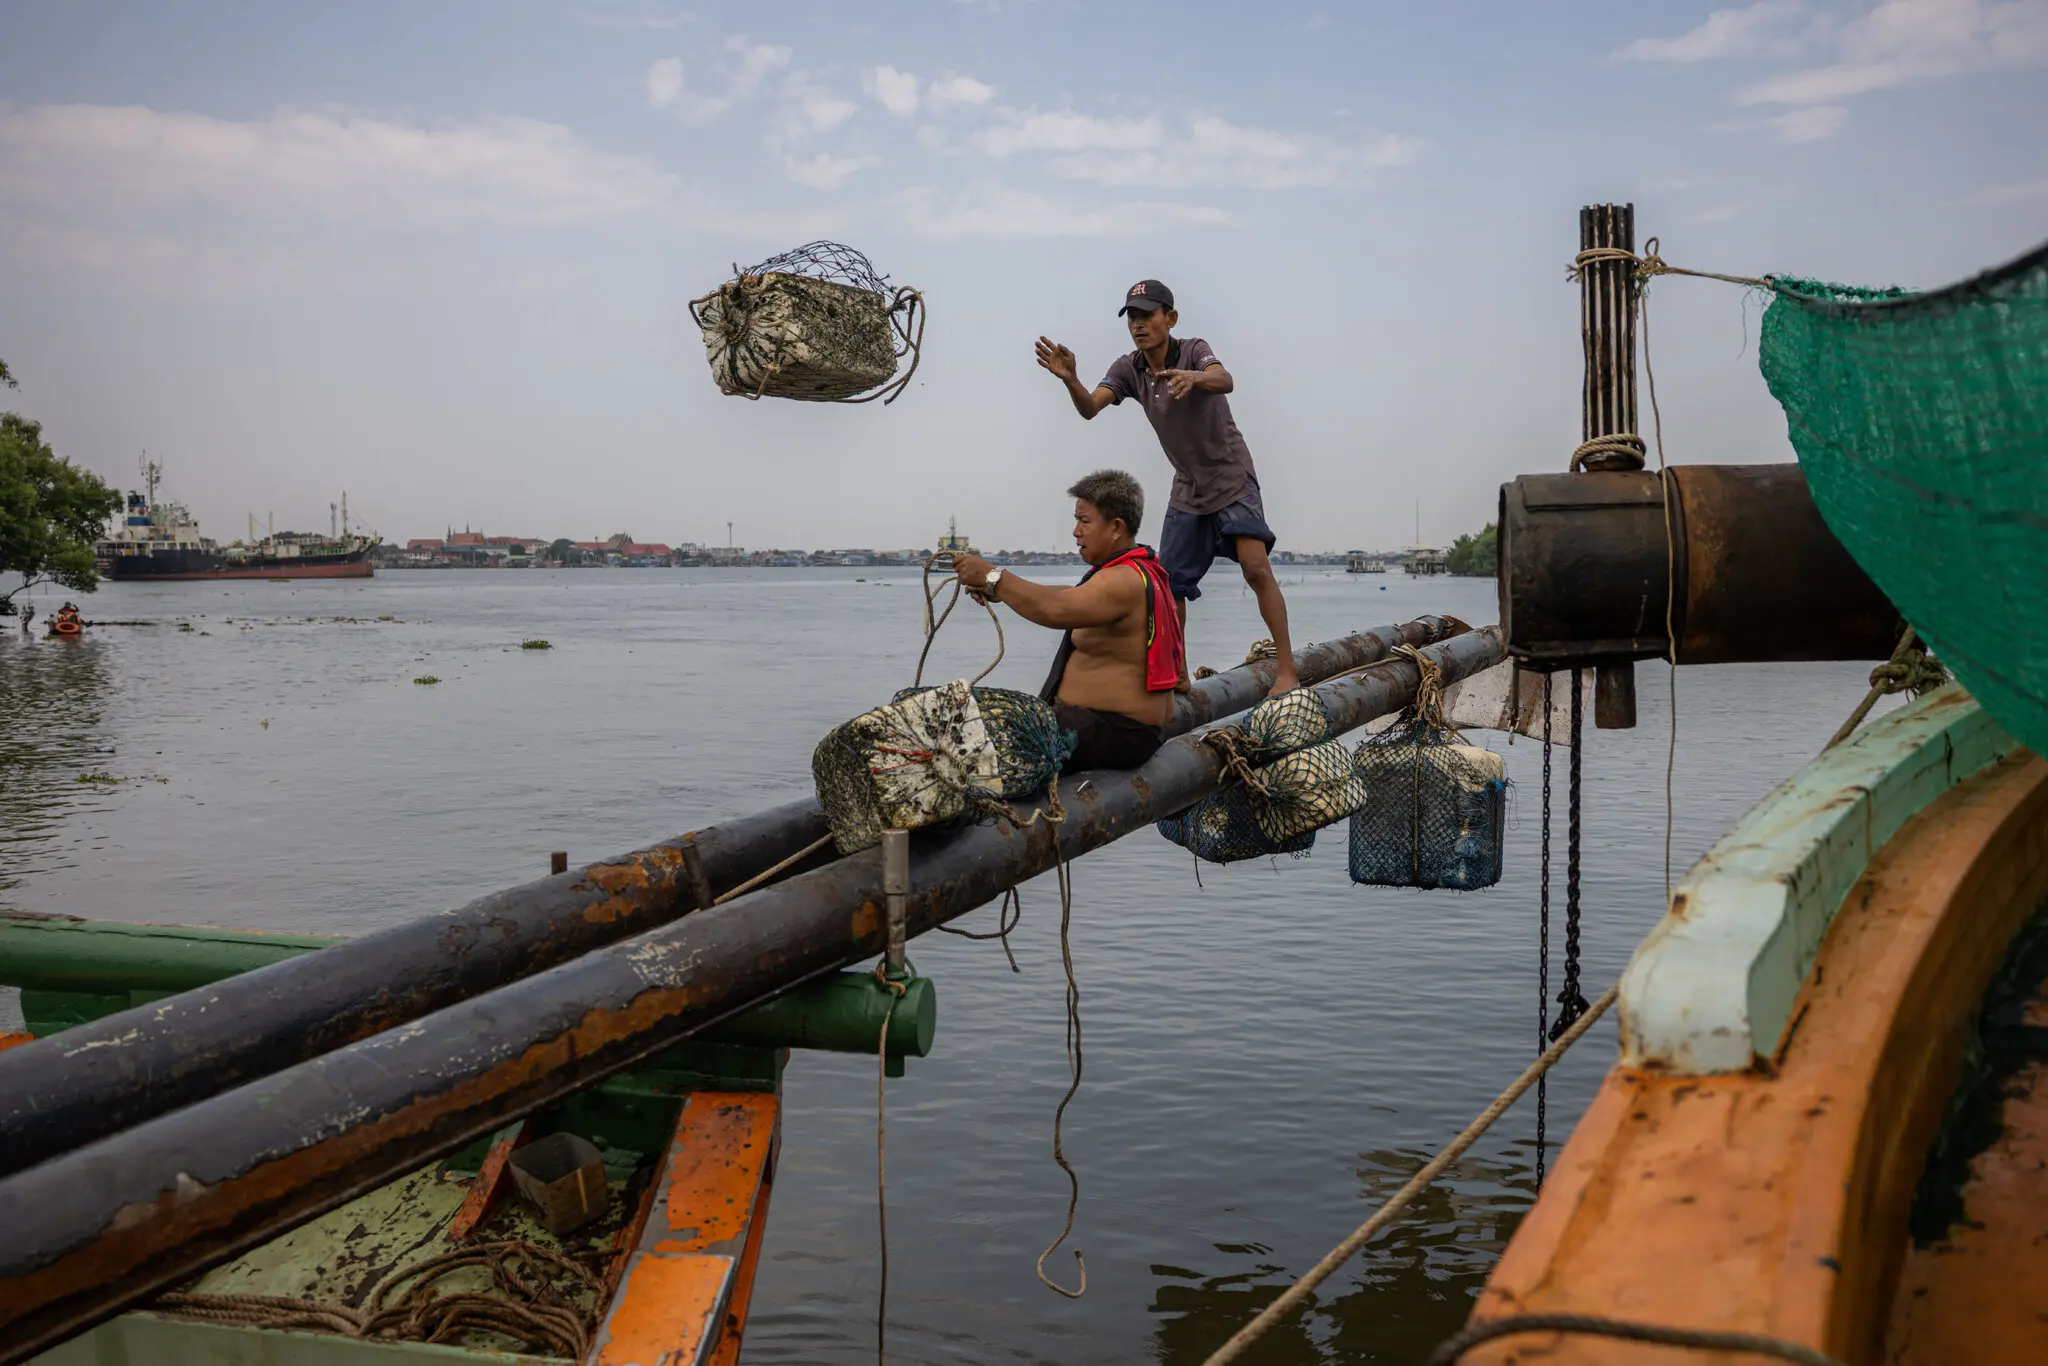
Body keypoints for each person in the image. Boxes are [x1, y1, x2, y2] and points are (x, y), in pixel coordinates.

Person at [1035, 279, 1300, 696]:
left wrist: (1195, 378)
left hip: (1231, 477)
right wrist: (1070, 379)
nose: (1139, 325)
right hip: (1188, 489)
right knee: (1170, 585)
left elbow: (1225, 379)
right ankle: (1179, 674)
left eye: (1148, 316)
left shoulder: (1193, 350)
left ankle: (1287, 670)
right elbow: (1090, 408)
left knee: (1255, 567)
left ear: (1170, 318)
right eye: (1133, 318)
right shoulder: (1129, 368)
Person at [951, 469, 1184, 774]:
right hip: (1110, 731)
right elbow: (1066, 596)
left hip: (1112, 734)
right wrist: (1002, 592)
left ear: (1116, 527)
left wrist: (994, 577)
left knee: (964, 741)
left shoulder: (1122, 580)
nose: (1076, 531)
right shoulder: (1137, 571)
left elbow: (1055, 609)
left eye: (1084, 521)